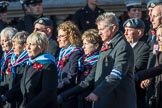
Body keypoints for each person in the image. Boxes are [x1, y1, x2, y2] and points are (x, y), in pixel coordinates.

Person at [85, 12, 137, 108]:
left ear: (113, 28)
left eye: (102, 29)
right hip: (104, 101)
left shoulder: (122, 47)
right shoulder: (107, 44)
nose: (99, 33)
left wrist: (97, 93)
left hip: (117, 102)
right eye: (98, 29)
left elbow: (116, 74)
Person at [57, 29, 102, 108]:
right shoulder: (82, 60)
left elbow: (86, 83)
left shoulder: (97, 61)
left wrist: (64, 95)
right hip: (78, 100)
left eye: (86, 44)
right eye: (83, 44)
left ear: (96, 45)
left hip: (89, 100)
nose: (83, 47)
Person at [123, 18, 150, 108]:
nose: (125, 33)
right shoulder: (125, 48)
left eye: (129, 30)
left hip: (136, 93)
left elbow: (136, 67)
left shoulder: (144, 48)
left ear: (139, 33)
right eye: (125, 30)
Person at [57, 21, 83, 108]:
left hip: (69, 97)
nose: (58, 39)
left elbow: (72, 76)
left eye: (62, 36)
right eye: (58, 36)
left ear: (71, 37)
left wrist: (56, 87)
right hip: (60, 93)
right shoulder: (61, 53)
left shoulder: (76, 53)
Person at [135, 24, 162, 108]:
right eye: (157, 36)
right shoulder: (159, 52)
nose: (158, 39)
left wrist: (139, 76)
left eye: (161, 36)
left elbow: (159, 68)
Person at [0, 31, 29, 108]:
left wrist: (6, 96)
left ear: (24, 46)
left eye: (15, 45)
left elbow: (20, 84)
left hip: (21, 101)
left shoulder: (27, 62)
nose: (13, 48)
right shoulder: (13, 60)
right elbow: (7, 82)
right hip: (9, 101)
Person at [0, 27, 17, 107]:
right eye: (1, 40)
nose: (1, 43)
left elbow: (11, 81)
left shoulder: (15, 58)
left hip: (10, 98)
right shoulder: (4, 57)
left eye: (4, 41)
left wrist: (5, 96)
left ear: (12, 41)